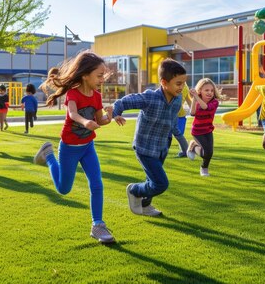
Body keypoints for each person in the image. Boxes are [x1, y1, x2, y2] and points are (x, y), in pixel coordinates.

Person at [33, 53, 116, 244]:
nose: (102, 80)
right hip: (69, 148)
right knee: (63, 189)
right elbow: (72, 114)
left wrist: (109, 116)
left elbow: (100, 120)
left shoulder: (97, 96)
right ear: (85, 75)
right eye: (99, 75)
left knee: (97, 183)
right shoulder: (73, 94)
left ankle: (98, 225)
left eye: (103, 75)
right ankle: (49, 156)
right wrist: (86, 121)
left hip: (88, 147)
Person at [112, 58, 185, 217]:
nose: (182, 87)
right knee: (160, 183)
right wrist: (116, 113)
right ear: (164, 82)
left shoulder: (177, 100)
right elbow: (124, 101)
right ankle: (134, 190)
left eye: (184, 83)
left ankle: (145, 206)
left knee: (151, 178)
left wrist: (183, 144)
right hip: (145, 147)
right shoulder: (149, 98)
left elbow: (172, 124)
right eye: (178, 83)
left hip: (162, 147)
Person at [187, 78, 220, 177]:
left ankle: (203, 166)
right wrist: (193, 98)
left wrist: (196, 96)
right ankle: (193, 147)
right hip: (197, 131)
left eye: (212, 90)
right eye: (206, 90)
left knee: (209, 152)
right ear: (200, 90)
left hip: (208, 130)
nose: (210, 92)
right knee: (206, 153)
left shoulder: (214, 102)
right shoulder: (196, 101)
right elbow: (192, 113)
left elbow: (205, 107)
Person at [174, 83, 193, 158]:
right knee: (179, 135)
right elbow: (189, 102)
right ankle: (185, 151)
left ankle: (185, 151)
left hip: (177, 115)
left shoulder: (179, 86)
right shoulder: (185, 87)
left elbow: (189, 101)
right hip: (179, 115)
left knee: (178, 135)